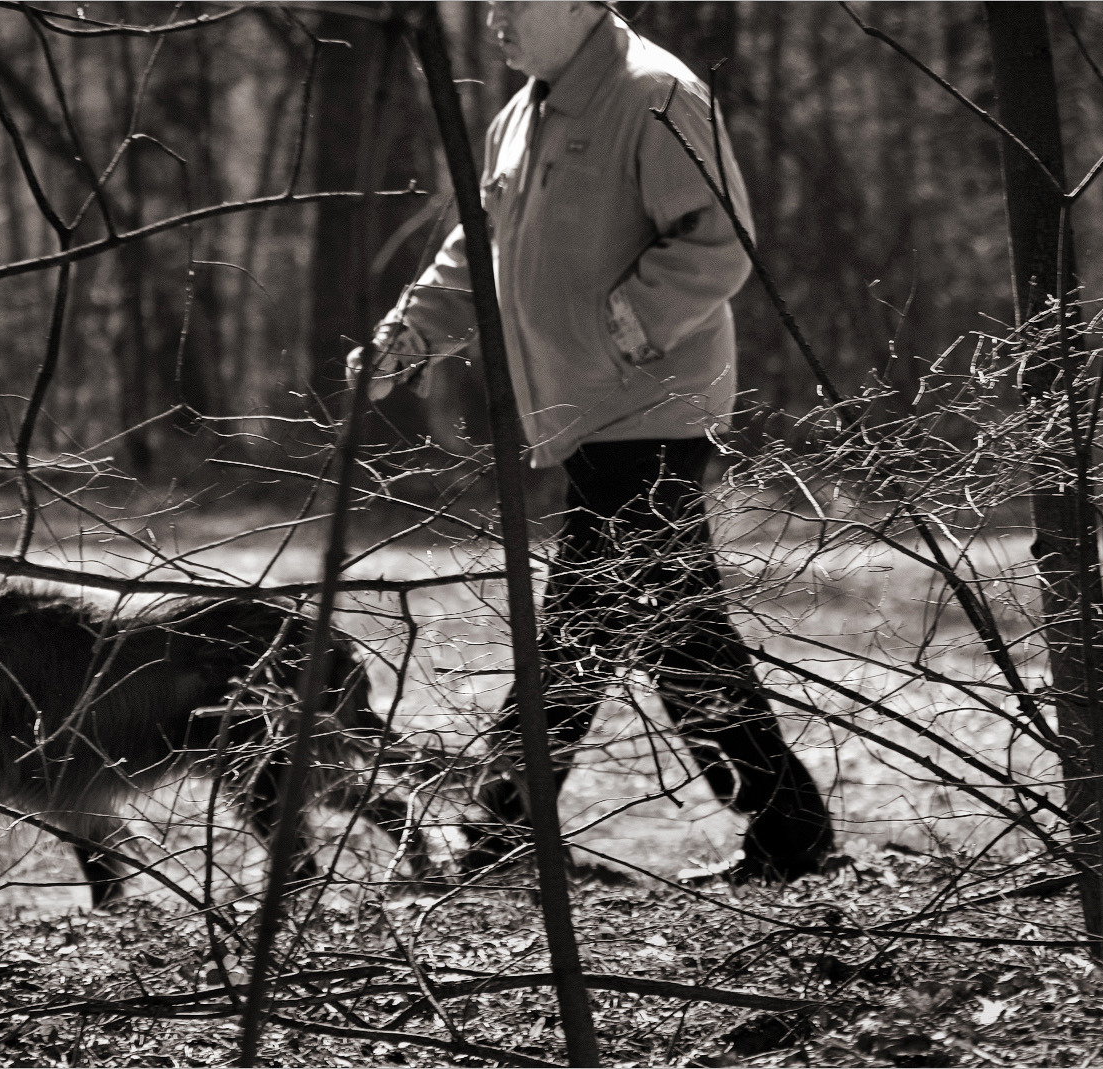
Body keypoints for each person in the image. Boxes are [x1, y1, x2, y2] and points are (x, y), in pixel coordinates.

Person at [352, 1, 833, 880]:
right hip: (587, 410)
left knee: (596, 622)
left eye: (511, 2)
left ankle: (502, 828)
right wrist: (409, 335)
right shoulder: (520, 112)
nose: (493, 20)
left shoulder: (655, 94)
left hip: (649, 405)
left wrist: (621, 329)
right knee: (662, 628)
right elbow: (482, 245)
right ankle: (786, 832)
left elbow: (719, 240)